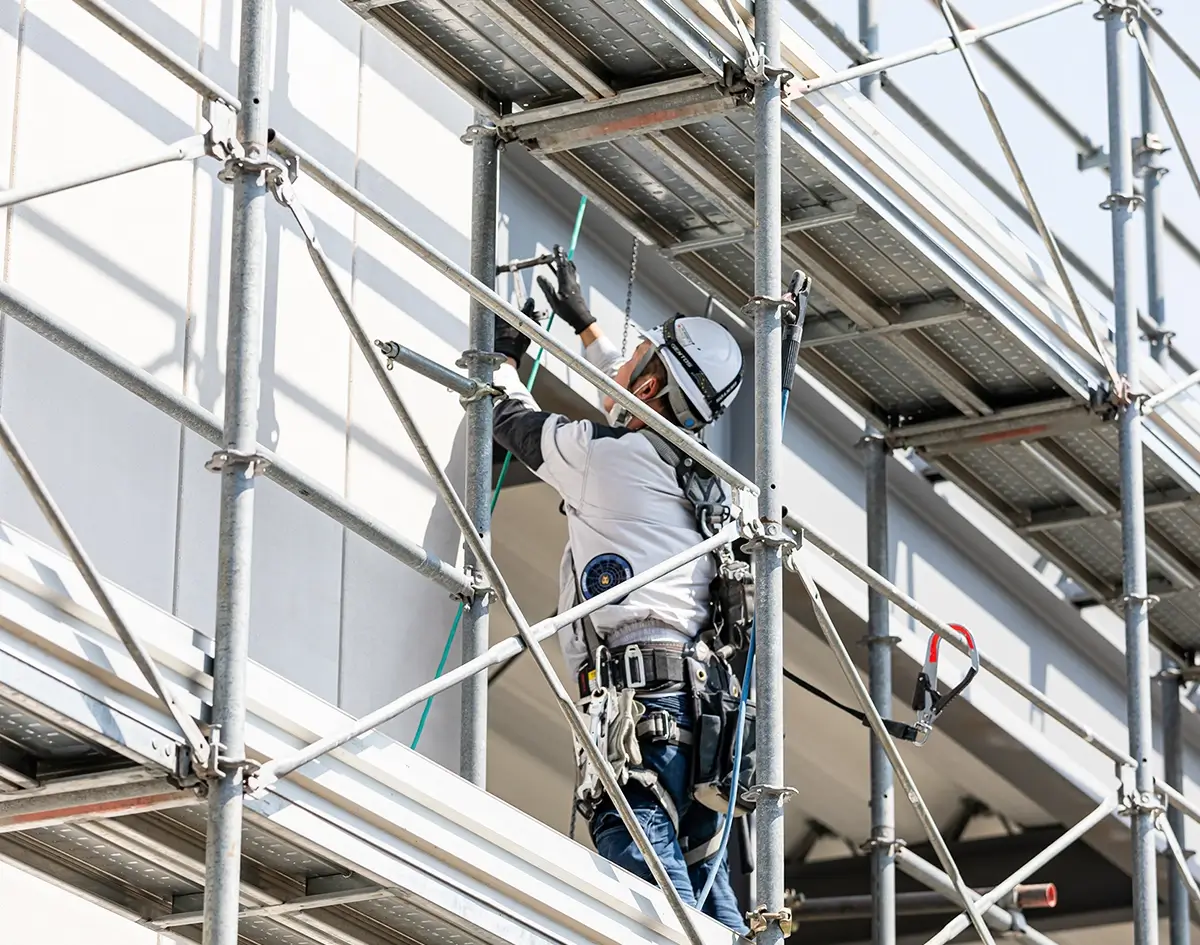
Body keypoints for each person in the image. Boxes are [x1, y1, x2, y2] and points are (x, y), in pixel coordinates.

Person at [489, 249, 750, 934]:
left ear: (658, 379)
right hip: (693, 709)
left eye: (641, 352)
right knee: (700, 867)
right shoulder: (694, 470)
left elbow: (514, 424)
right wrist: (586, 328)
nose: (629, 355)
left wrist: (502, 361)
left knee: (641, 871)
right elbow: (630, 405)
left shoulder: (612, 460)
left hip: (643, 705)